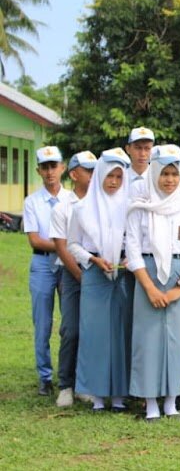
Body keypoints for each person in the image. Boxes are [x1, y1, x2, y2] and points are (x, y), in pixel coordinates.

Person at [126, 145, 180, 422]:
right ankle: (150, 404)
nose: (169, 180)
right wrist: (149, 288)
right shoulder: (140, 207)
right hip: (147, 276)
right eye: (164, 174)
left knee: (177, 341)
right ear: (154, 174)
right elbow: (133, 249)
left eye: (174, 174)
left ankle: (171, 401)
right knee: (148, 341)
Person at [67, 148, 131, 412]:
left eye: (118, 177)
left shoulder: (129, 206)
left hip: (122, 275)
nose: (113, 182)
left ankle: (119, 395)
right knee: (95, 333)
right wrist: (93, 260)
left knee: (120, 332)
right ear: (100, 176)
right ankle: (97, 395)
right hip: (95, 274)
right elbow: (72, 244)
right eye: (109, 176)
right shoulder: (82, 208)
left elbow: (135, 240)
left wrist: (128, 259)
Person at [50, 151, 96, 407]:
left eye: (95, 170)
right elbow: (61, 246)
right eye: (88, 170)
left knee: (94, 330)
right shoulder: (63, 206)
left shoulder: (102, 202)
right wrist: (80, 276)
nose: (93, 175)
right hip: (72, 272)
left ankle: (85, 384)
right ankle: (66, 385)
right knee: (71, 329)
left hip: (98, 270)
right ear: (74, 174)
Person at [23, 146, 69, 396]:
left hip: (67, 264)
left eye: (54, 166)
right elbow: (35, 240)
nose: (50, 171)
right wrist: (63, 245)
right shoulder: (32, 202)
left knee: (69, 322)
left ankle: (68, 374)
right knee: (42, 322)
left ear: (63, 167)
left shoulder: (72, 199)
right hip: (42, 264)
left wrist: (65, 249)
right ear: (38, 170)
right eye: (45, 167)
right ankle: (45, 376)